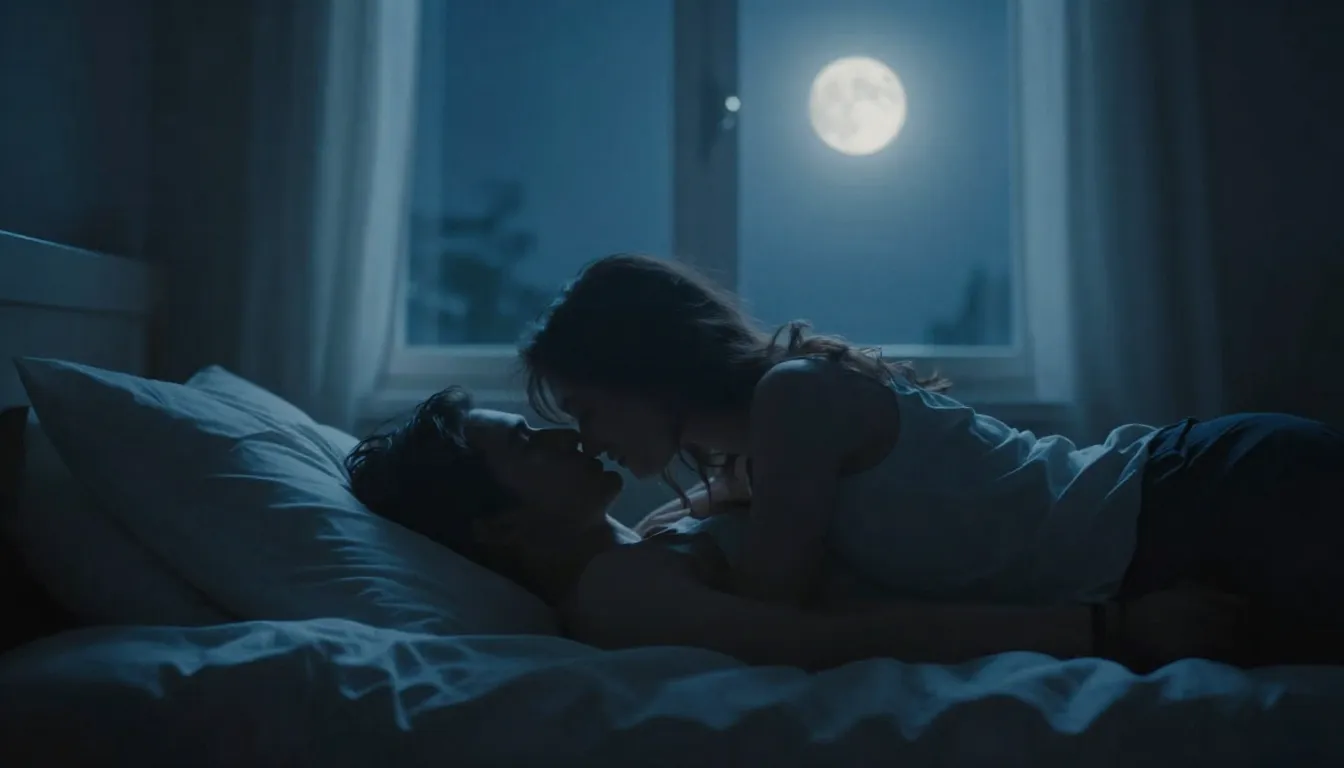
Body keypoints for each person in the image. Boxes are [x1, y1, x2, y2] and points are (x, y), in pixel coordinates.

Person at [517, 253, 1344, 658]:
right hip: (1164, 539)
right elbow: (696, 532)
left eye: (586, 408)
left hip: (1204, 499)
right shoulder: (758, 457)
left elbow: (773, 605)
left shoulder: (794, 399)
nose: (587, 439)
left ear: (642, 370)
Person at [345, 387, 1253, 672]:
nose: (561, 435)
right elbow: (834, 638)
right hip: (1168, 523)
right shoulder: (616, 593)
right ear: (500, 526)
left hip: (1182, 485)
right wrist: (1109, 632)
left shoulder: (647, 541)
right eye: (524, 442)